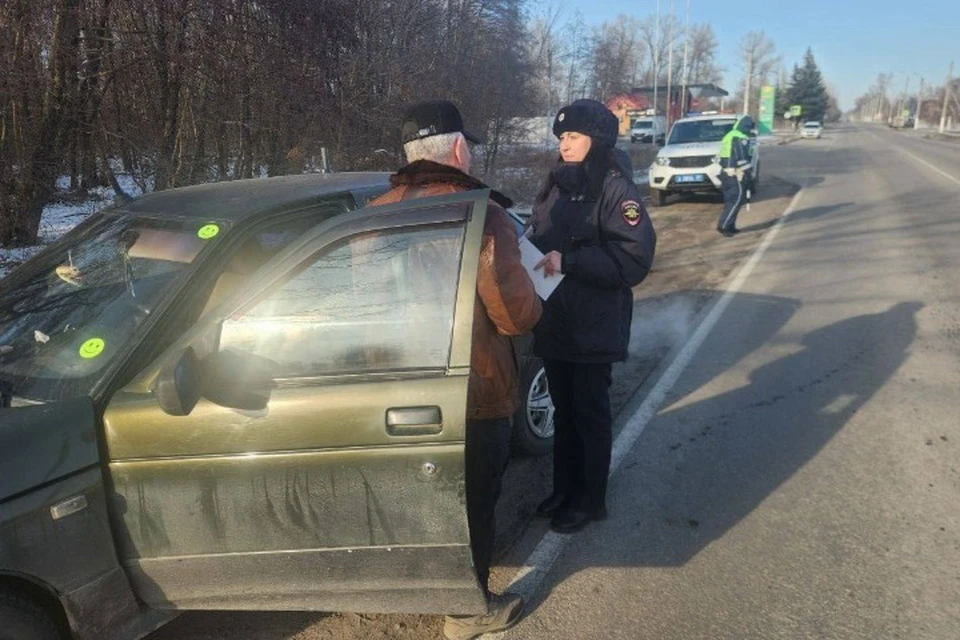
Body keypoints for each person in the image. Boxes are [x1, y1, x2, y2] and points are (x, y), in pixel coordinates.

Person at [367, 99, 542, 640]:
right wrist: (538, 290)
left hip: (396, 390)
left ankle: (417, 584)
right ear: (460, 149)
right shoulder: (480, 215)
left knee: (424, 498)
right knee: (476, 502)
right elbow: (514, 317)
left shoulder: (372, 215)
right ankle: (467, 611)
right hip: (473, 390)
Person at [527, 99, 656, 534]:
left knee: (590, 414)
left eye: (573, 136)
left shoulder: (616, 189)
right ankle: (565, 489)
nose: (564, 144)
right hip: (555, 321)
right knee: (564, 413)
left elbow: (633, 261)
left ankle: (590, 499)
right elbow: (539, 231)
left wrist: (570, 262)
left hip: (594, 325)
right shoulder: (556, 182)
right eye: (561, 137)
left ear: (596, 139)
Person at [716, 115, 755, 236]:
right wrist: (748, 174)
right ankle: (724, 226)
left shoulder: (730, 135)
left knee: (731, 200)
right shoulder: (739, 137)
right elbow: (741, 158)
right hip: (735, 173)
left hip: (727, 172)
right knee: (736, 199)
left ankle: (730, 225)